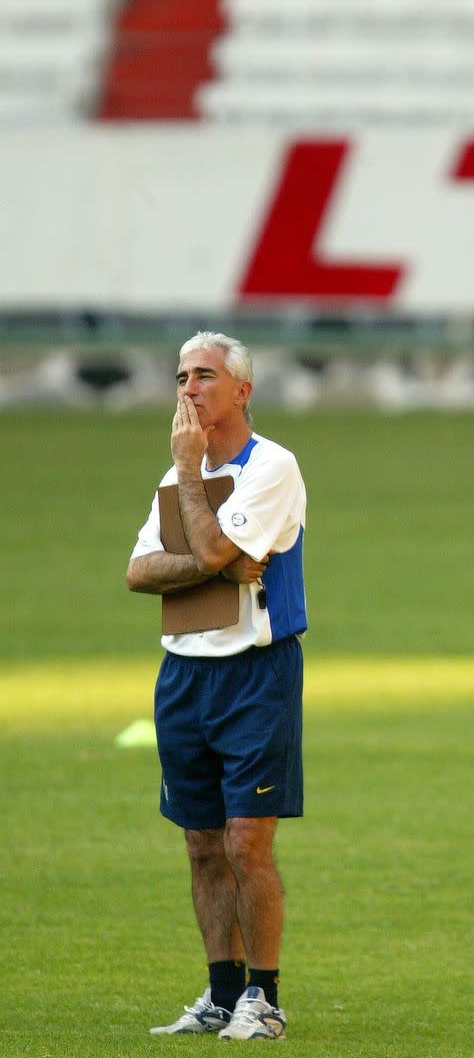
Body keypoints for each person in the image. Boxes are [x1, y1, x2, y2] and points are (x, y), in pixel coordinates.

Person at [126, 331, 307, 1040]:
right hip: (182, 675)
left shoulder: (272, 466)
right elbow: (139, 572)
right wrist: (216, 565)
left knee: (245, 842)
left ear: (243, 390)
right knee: (201, 842)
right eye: (180, 376)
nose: (188, 389)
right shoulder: (178, 479)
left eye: (204, 375)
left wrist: (205, 541)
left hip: (254, 675)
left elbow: (204, 547)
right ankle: (221, 993)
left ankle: (265, 999)